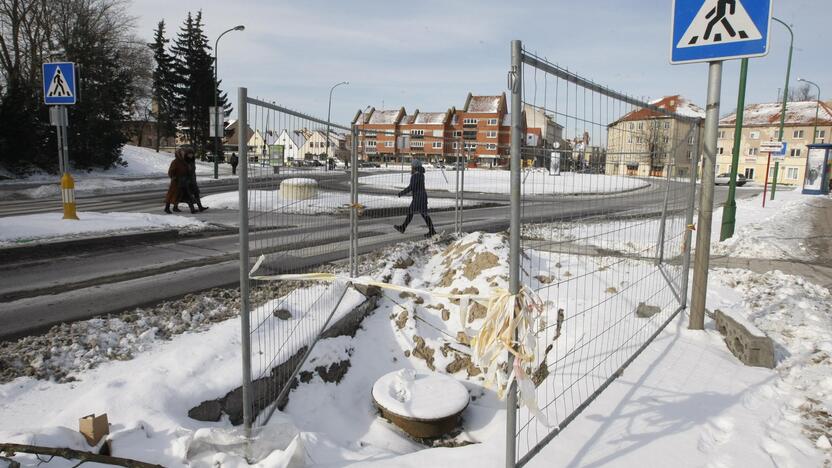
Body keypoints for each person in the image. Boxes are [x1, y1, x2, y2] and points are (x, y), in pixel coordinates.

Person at [394, 159, 437, 238]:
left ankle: (403, 228)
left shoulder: (416, 175)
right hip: (422, 196)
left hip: (418, 198)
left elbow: (411, 187)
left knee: (412, 212)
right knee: (423, 214)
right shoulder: (421, 174)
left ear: (415, 167)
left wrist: (401, 193)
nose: (411, 168)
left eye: (412, 166)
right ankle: (432, 231)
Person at [165, 149, 196, 214]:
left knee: (179, 194)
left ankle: (175, 207)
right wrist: (174, 177)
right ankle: (167, 208)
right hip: (176, 180)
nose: (183, 154)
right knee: (171, 194)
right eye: (181, 153)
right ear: (178, 154)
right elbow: (171, 171)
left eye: (183, 153)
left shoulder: (183, 161)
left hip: (183, 180)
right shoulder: (175, 162)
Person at [183, 148, 208, 212]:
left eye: (192, 154)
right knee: (189, 195)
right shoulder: (184, 162)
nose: (191, 155)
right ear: (187, 155)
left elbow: (193, 171)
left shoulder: (192, 161)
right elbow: (184, 172)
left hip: (193, 180)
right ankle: (192, 209)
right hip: (187, 181)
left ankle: (200, 207)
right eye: (189, 154)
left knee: (196, 193)